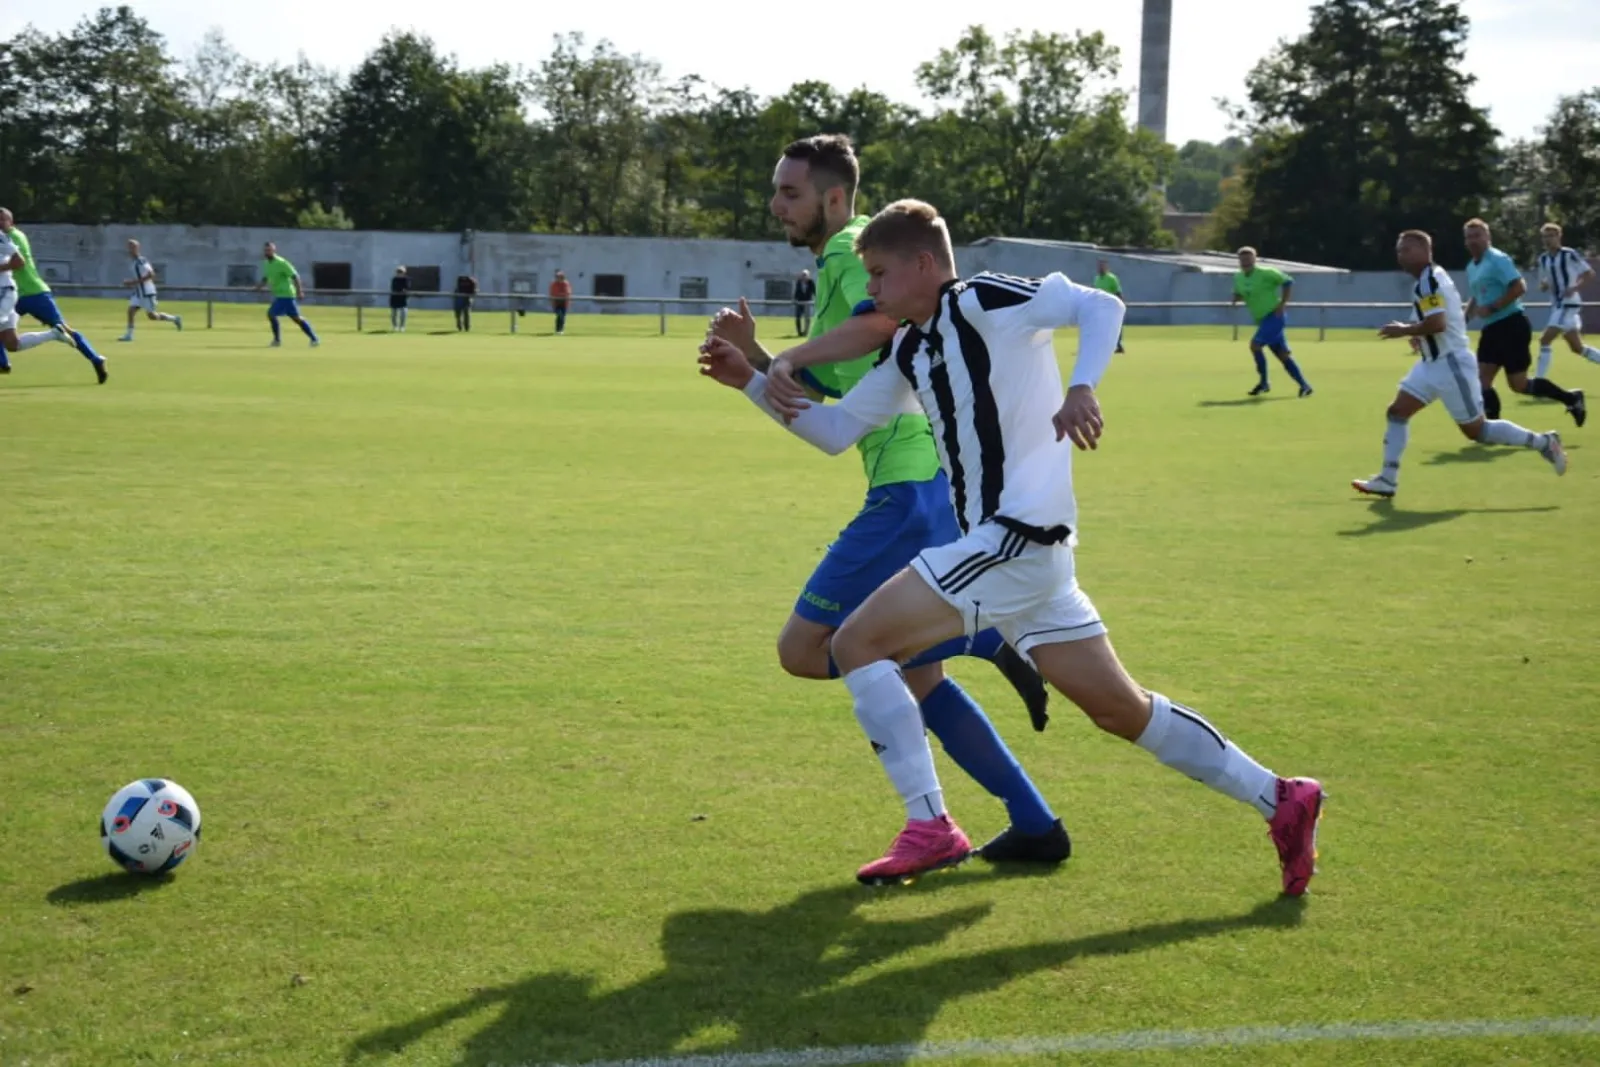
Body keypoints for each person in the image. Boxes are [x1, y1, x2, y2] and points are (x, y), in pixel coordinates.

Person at [700, 198, 1324, 894]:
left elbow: (1102, 307)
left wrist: (1082, 385)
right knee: (1123, 710)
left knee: (857, 643)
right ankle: (1281, 797)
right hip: (1028, 559)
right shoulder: (912, 347)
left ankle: (931, 823)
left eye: (878, 274)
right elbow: (835, 430)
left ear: (924, 264)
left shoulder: (984, 298)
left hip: (1015, 538)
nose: (869, 290)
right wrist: (750, 380)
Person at [707, 135, 1064, 871]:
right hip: (920, 482)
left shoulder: (848, 250)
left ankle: (976, 640)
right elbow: (825, 395)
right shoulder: (843, 264)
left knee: (807, 651)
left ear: (835, 198)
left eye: (791, 192)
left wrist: (780, 360)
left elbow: (882, 325)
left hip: (908, 486)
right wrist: (757, 366)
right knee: (915, 675)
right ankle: (1034, 823)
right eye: (776, 190)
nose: (776, 205)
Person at [1352, 229, 1566, 498]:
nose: (1401, 255)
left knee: (1478, 431)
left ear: (1424, 251)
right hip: (1432, 364)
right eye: (1399, 250)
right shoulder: (1431, 277)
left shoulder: (1429, 281)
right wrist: (1417, 333)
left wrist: (1404, 330)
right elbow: (1437, 316)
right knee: (1397, 412)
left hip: (1451, 365)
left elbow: (1437, 324)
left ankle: (1544, 442)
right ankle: (1387, 480)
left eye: (1406, 249)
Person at [1463, 219, 1583, 426]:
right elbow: (1476, 296)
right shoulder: (1471, 266)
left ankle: (1571, 398)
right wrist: (1463, 319)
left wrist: (1493, 307)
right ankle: (1494, 429)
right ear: (1465, 241)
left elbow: (1519, 287)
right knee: (1482, 380)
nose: (1473, 240)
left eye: (1478, 235)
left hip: (1511, 325)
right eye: (1469, 237)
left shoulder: (1498, 259)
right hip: (1492, 329)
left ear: (1487, 237)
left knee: (1519, 385)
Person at [0, 207, 107, 383]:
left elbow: (18, 263)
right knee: (5, 332)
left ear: (11, 222)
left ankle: (95, 358)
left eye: (2, 220)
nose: (0, 223)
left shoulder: (13, 237)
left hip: (33, 292)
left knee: (63, 328)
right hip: (15, 295)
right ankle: (3, 363)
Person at [1230, 247, 1311, 397]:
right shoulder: (1238, 277)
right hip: (1262, 320)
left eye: (1248, 259)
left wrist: (1283, 304)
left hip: (1274, 317)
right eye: (1243, 260)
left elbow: (1288, 281)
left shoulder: (1267, 272)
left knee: (1255, 345)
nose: (1245, 262)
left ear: (1255, 259)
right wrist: (1235, 298)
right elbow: (1240, 293)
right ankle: (1305, 386)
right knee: (1283, 355)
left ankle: (1264, 383)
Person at [0, 228, 77, 372]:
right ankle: (54, 334)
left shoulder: (1, 237)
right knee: (12, 344)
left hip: (4, 292)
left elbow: (18, 261)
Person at [1535, 222, 1600, 376]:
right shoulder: (1543, 259)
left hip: (1568, 304)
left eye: (1551, 236)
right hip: (1557, 304)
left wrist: (1574, 288)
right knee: (1577, 348)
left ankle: (1539, 380)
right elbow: (1544, 281)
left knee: (1545, 340)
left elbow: (1589, 273)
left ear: (1559, 237)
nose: (1548, 239)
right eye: (1545, 237)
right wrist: (1544, 285)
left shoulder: (1568, 254)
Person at [253, 242, 319, 348]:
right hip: (280, 295)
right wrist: (258, 287)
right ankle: (314, 339)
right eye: (266, 250)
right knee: (296, 318)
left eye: (269, 250)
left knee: (272, 314)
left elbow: (295, 276)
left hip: (286, 295)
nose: (267, 252)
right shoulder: (266, 263)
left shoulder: (281, 262)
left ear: (274, 251)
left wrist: (299, 291)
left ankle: (277, 341)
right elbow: (266, 277)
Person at [118, 239, 182, 342]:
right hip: (138, 293)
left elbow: (151, 274)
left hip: (147, 292)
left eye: (132, 247)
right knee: (130, 311)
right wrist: (133, 283)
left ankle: (175, 319)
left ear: (137, 248)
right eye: (129, 247)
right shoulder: (133, 262)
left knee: (152, 316)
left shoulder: (141, 261)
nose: (129, 249)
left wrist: (133, 282)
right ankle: (129, 335)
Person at [1091, 259, 1125, 353]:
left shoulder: (1112, 278)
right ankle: (1103, 345)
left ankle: (1118, 345)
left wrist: (1120, 305)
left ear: (1106, 267)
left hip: (1111, 306)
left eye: (1102, 266)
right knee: (1101, 326)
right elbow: (1095, 292)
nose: (1100, 268)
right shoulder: (1097, 278)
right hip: (1101, 307)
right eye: (1099, 266)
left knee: (1114, 325)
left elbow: (1118, 291)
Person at [793, 269, 816, 336]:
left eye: (805, 275)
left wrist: (817, 299)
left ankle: (806, 332)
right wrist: (795, 299)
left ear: (808, 276)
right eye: (803, 275)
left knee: (807, 318)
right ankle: (799, 332)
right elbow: (796, 291)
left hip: (807, 302)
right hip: (799, 302)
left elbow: (814, 291)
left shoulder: (811, 282)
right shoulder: (799, 282)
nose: (804, 276)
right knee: (798, 317)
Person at [389, 266, 410, 332]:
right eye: (398, 271)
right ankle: (395, 326)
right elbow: (395, 288)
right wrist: (402, 290)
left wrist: (404, 291)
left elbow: (407, 288)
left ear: (404, 272)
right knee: (393, 314)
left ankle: (402, 327)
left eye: (401, 272)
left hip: (403, 299)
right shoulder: (394, 279)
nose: (399, 273)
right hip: (394, 298)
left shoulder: (406, 279)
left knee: (403, 313)